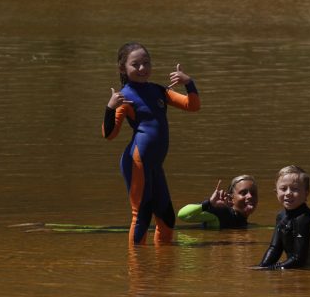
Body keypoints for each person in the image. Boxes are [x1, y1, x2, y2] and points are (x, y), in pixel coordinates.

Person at [102, 42, 200, 245]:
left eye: (146, 63)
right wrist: (110, 107)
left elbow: (193, 106)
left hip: (155, 165)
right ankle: (137, 270)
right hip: (137, 162)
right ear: (123, 68)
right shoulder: (125, 98)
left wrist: (188, 82)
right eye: (135, 64)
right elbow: (109, 134)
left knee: (167, 218)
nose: (142, 69)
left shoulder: (158, 91)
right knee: (142, 216)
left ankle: (160, 268)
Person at [257, 166, 310, 269]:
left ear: (306, 193)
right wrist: (261, 267)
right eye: (283, 189)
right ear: (276, 192)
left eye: (295, 189)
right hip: (296, 266)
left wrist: (274, 268)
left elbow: (298, 259)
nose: (288, 193)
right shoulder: (281, 217)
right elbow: (275, 248)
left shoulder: (304, 218)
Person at [177, 175, 258, 229]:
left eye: (253, 193)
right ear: (231, 198)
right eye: (243, 193)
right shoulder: (222, 213)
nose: (250, 196)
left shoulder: (245, 224)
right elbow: (182, 215)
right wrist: (209, 203)